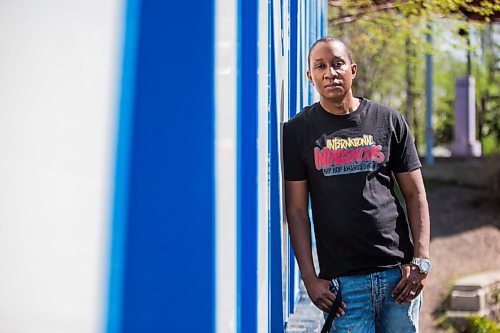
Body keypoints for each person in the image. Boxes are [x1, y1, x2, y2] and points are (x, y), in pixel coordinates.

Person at [283, 36, 431, 333]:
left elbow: (415, 194)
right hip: (344, 288)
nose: (330, 72)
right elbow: (297, 211)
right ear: (310, 76)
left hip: (398, 277)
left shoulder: (388, 120)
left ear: (353, 70)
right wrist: (310, 280)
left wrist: (421, 261)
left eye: (337, 64)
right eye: (320, 66)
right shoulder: (298, 131)